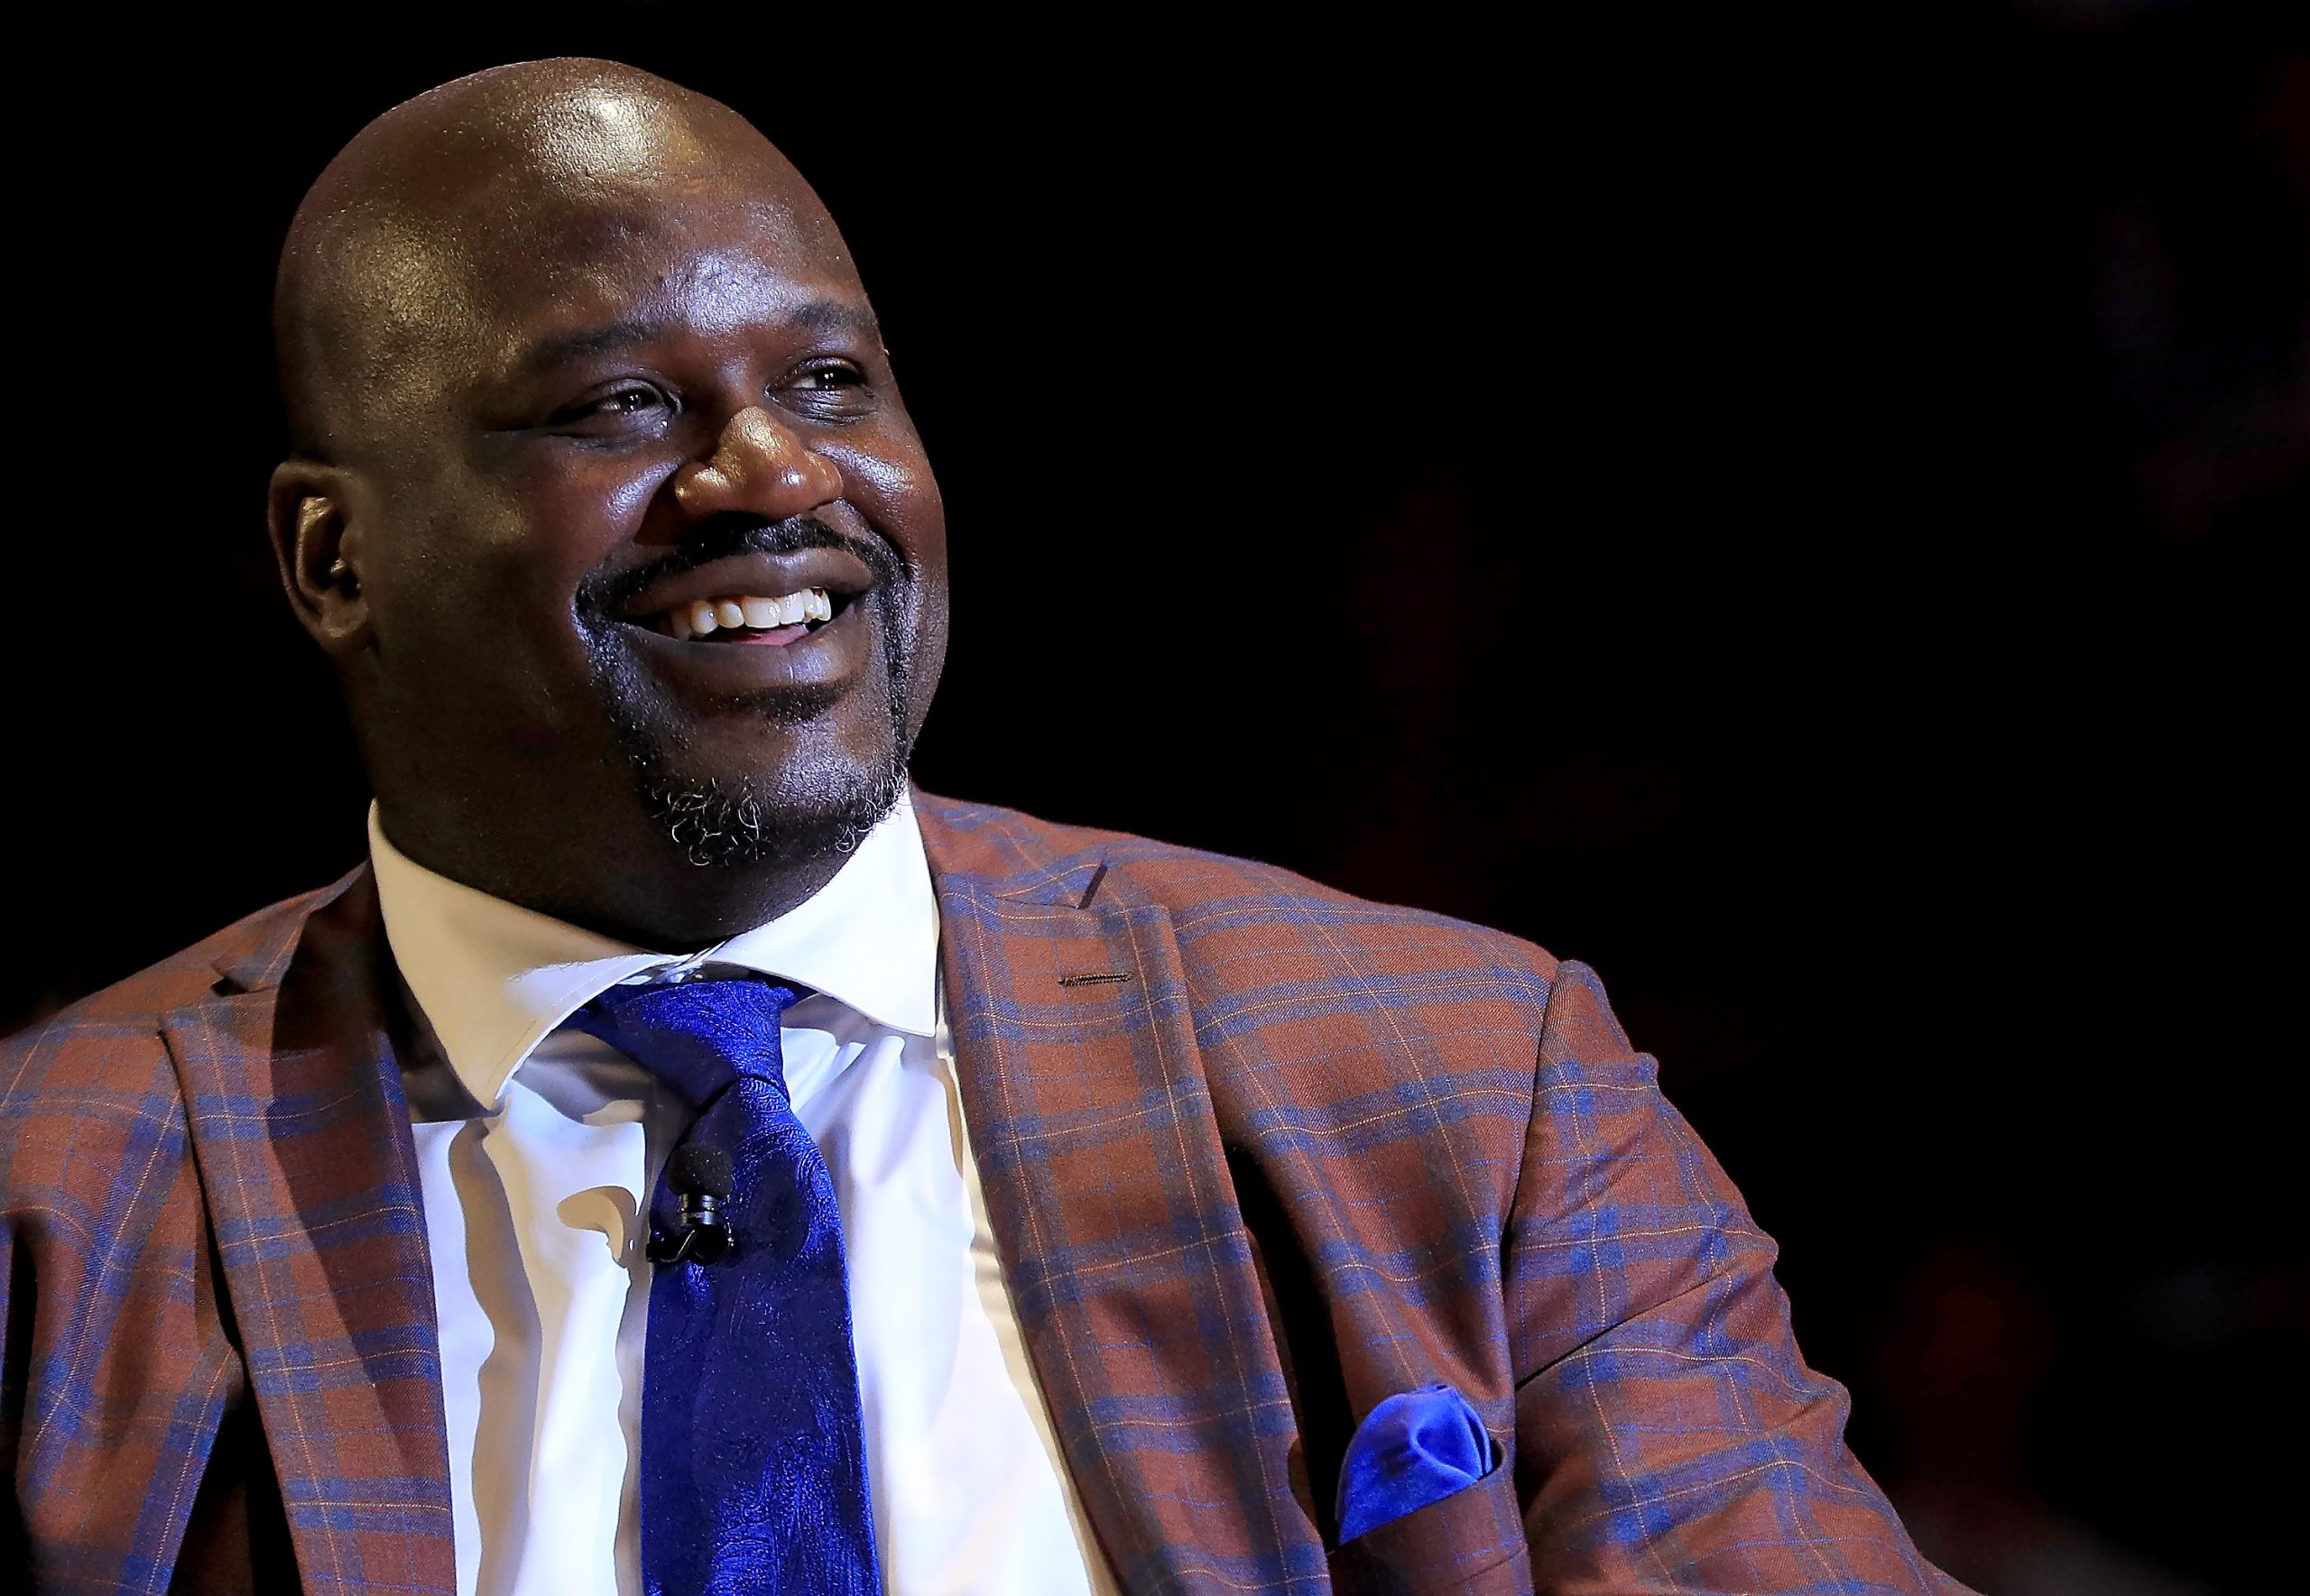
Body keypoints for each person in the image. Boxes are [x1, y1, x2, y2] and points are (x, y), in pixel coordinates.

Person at [1, 59, 1964, 1596]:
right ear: (333, 560)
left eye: (829, 377)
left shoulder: (1463, 1073)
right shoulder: (56, 1199)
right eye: (615, 407)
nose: (769, 473)